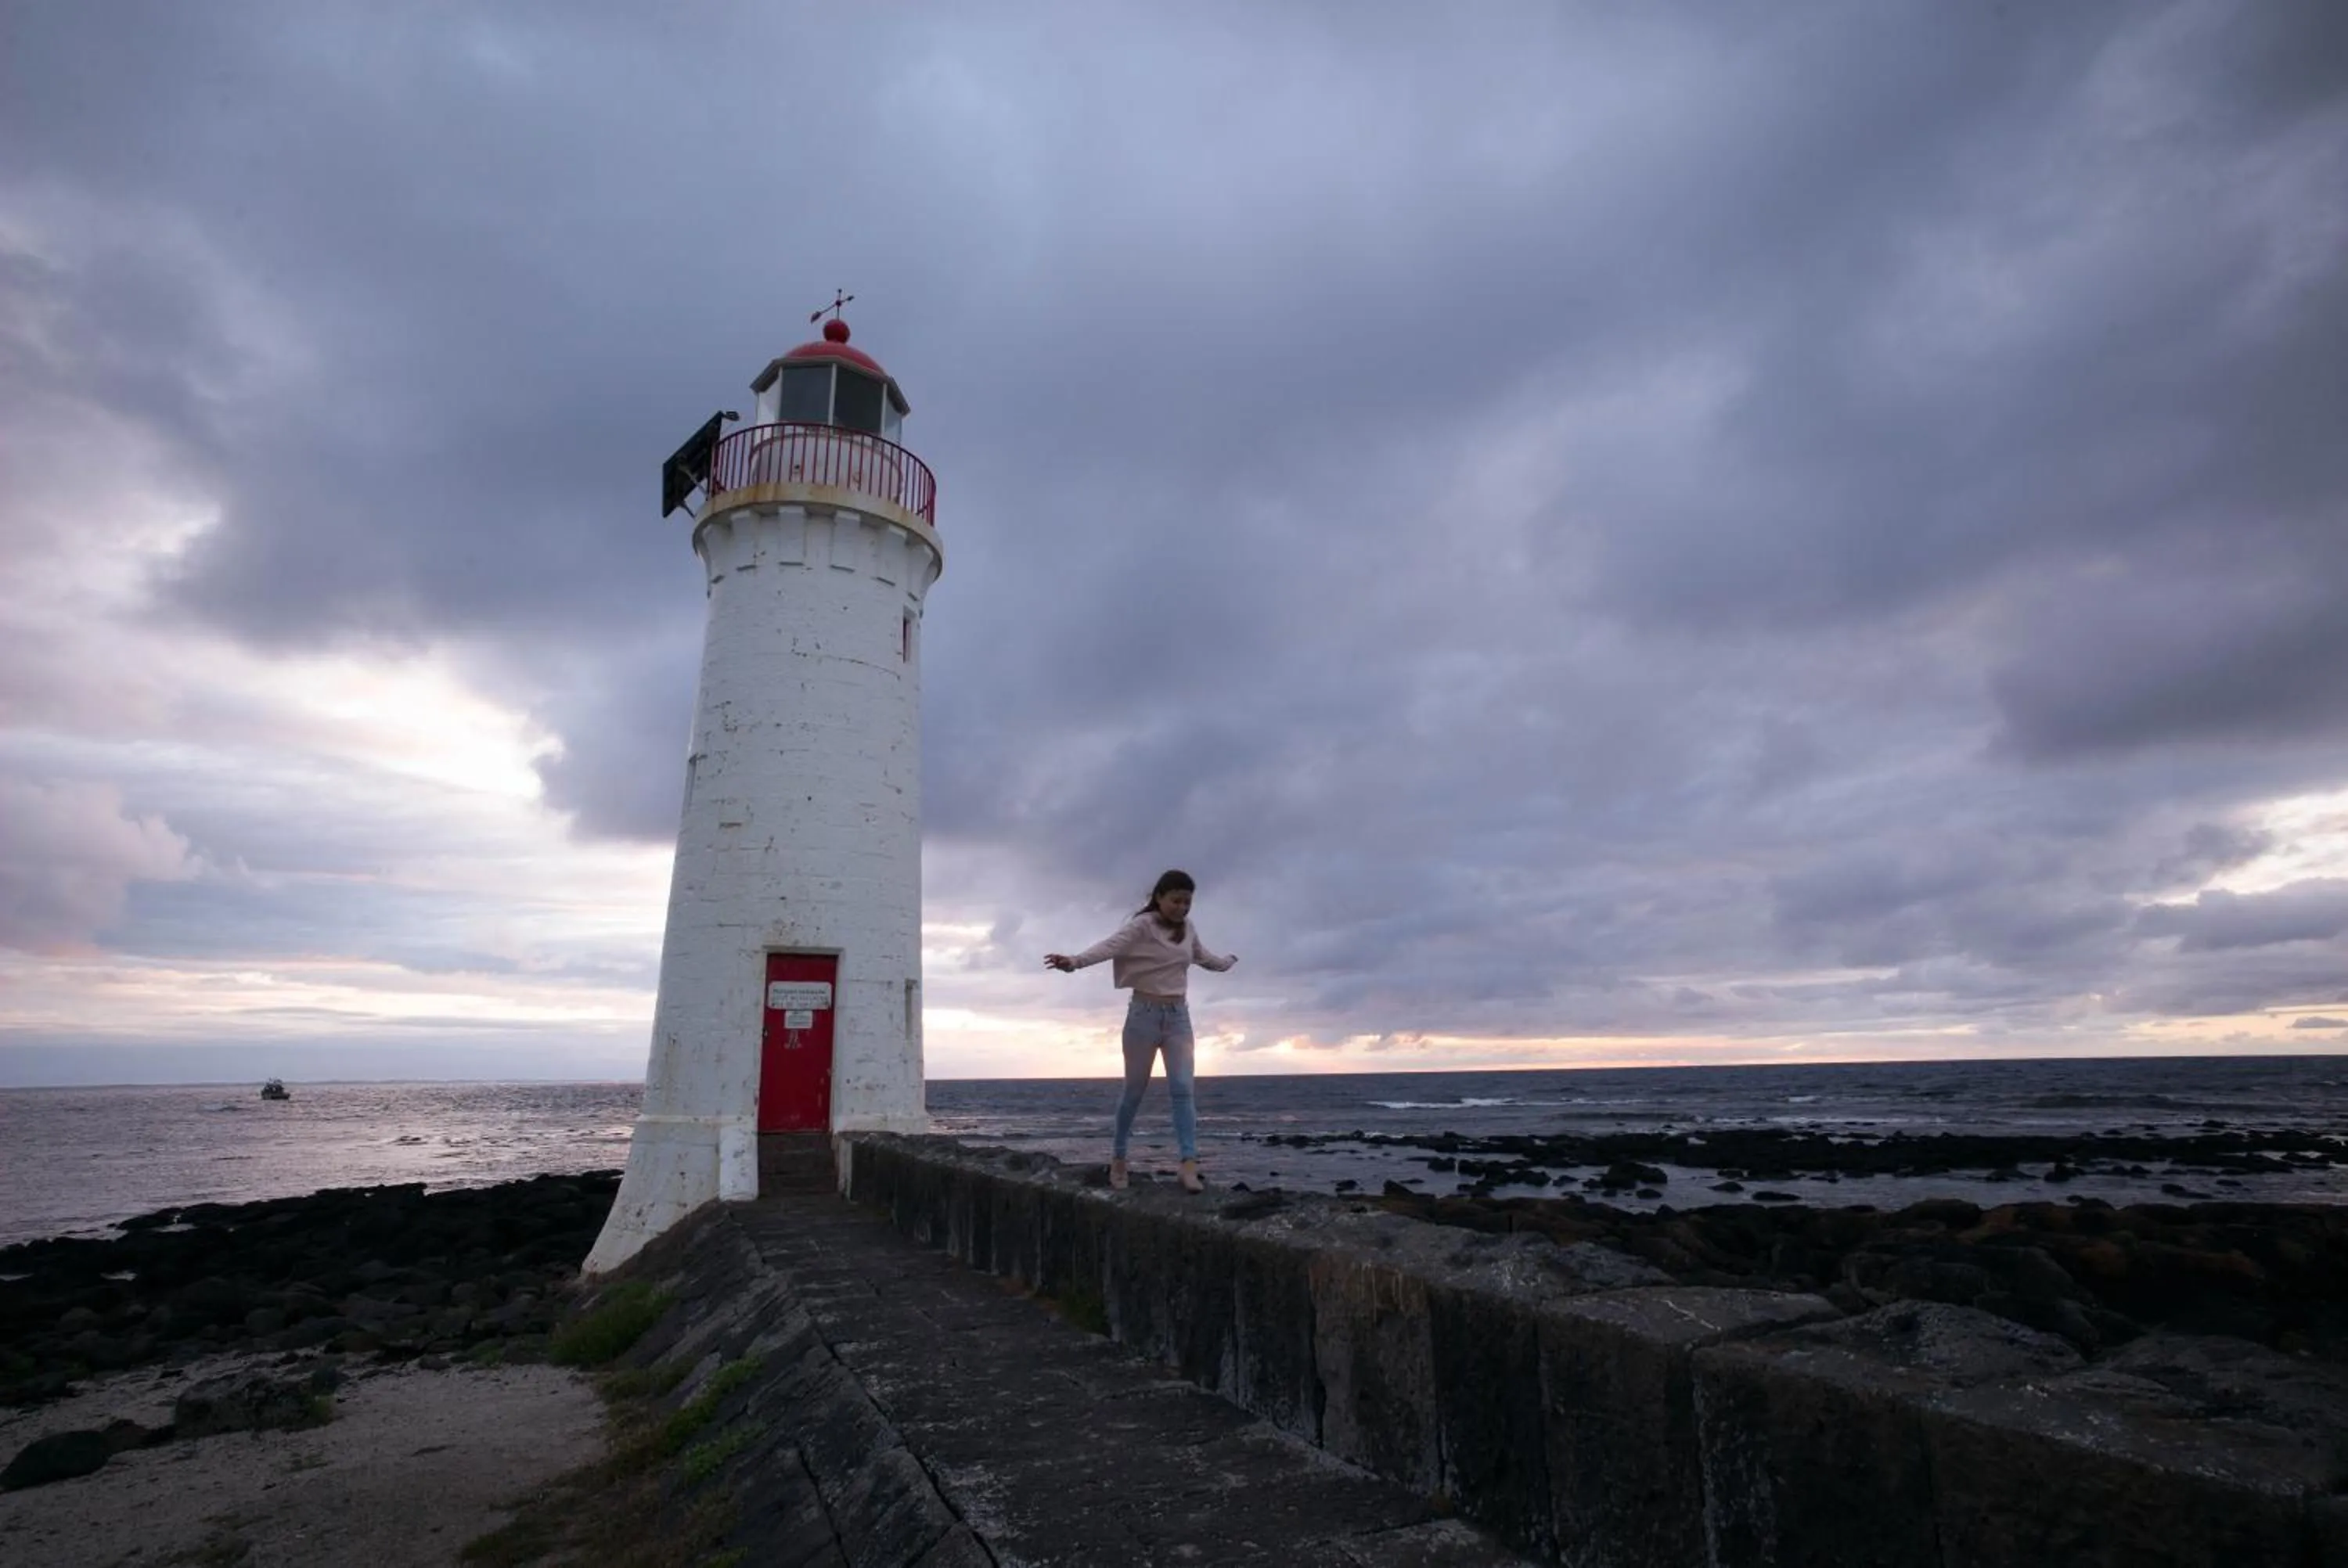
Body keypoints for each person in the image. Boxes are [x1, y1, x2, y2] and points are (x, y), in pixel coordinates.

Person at [1045, 869, 1237, 1193]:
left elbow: (1203, 958)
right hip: (1143, 1018)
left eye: (1187, 902)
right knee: (1134, 1092)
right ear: (1159, 897)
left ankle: (1188, 1165)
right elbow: (1110, 947)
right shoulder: (1142, 926)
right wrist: (1075, 962)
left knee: (1182, 1089)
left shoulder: (1188, 929)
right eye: (1175, 900)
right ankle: (1119, 1159)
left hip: (1178, 1019)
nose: (1182, 908)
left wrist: (1227, 962)